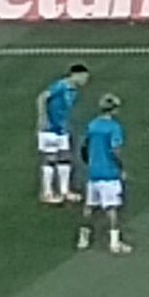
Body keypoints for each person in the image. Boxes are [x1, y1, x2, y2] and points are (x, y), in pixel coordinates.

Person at [77, 96, 130, 256]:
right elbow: (115, 150)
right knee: (111, 208)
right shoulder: (114, 127)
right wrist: (121, 167)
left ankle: (83, 239)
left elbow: (84, 146)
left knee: (89, 207)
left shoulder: (92, 125)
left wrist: (89, 162)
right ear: (114, 109)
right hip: (109, 173)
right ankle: (115, 243)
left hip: (94, 172)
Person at [36, 63, 88, 205]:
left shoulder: (74, 91)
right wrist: (42, 118)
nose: (85, 80)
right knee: (50, 159)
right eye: (84, 77)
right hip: (49, 129)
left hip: (61, 129)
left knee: (65, 158)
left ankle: (65, 191)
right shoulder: (60, 85)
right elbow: (42, 97)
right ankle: (47, 192)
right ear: (75, 74)